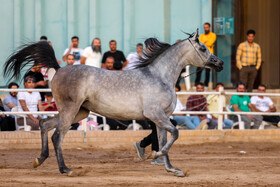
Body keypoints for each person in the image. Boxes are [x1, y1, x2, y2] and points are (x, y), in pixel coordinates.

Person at [195, 22, 216, 88]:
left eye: (207, 27)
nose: (205, 29)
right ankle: (196, 84)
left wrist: (204, 43)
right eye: (204, 27)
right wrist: (205, 43)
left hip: (209, 56)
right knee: (198, 70)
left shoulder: (213, 35)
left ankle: (206, 85)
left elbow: (210, 43)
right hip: (201, 55)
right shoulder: (201, 35)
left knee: (207, 71)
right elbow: (199, 44)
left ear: (209, 28)